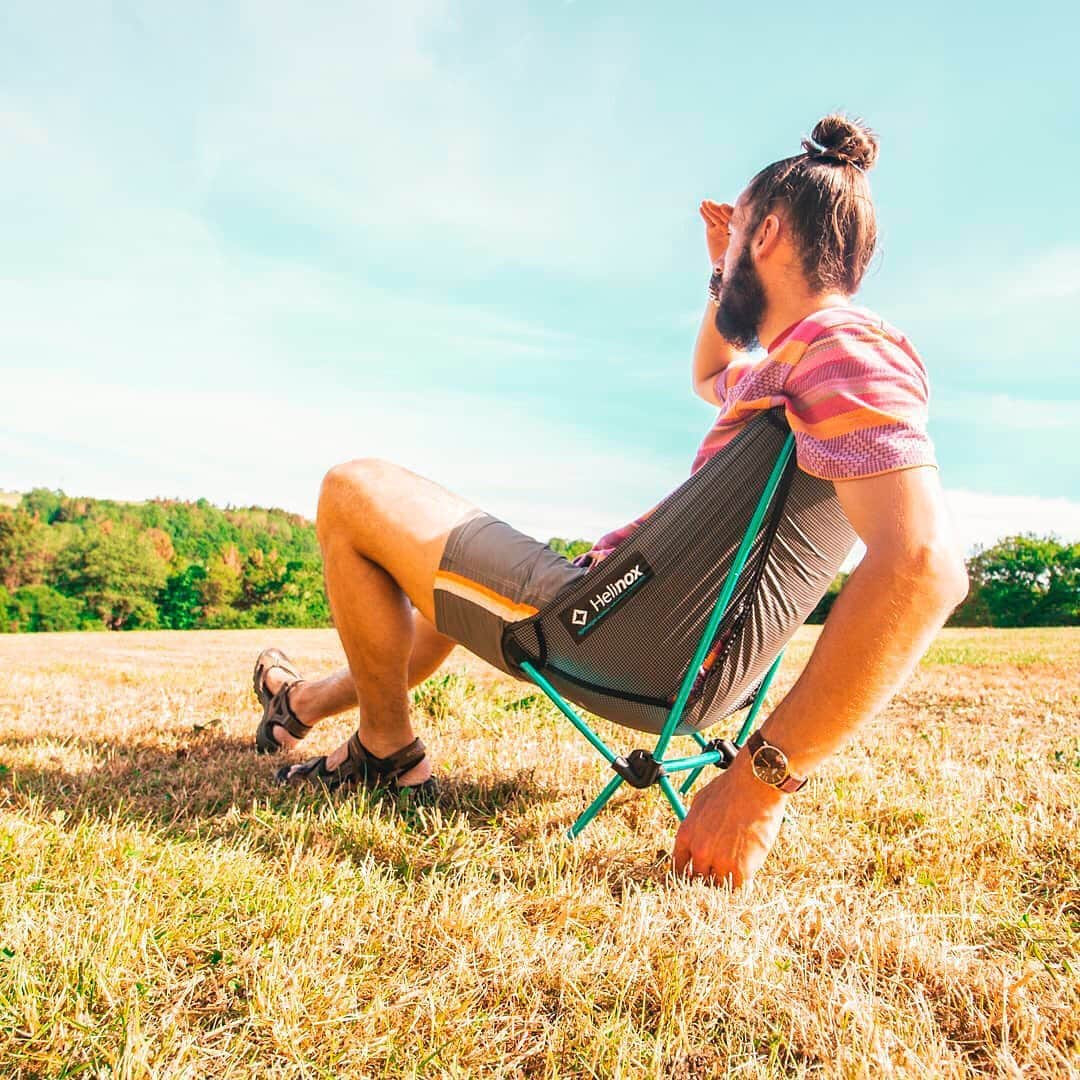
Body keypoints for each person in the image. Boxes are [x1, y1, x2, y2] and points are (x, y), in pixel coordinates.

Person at [253, 113, 968, 886]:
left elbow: (925, 568)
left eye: (735, 242)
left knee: (354, 490)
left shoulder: (847, 348)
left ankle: (387, 753)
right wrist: (721, 277)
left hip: (608, 628)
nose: (723, 258)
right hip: (667, 643)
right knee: (438, 604)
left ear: (764, 238)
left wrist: (762, 782)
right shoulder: (801, 363)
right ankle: (302, 700)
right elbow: (707, 375)